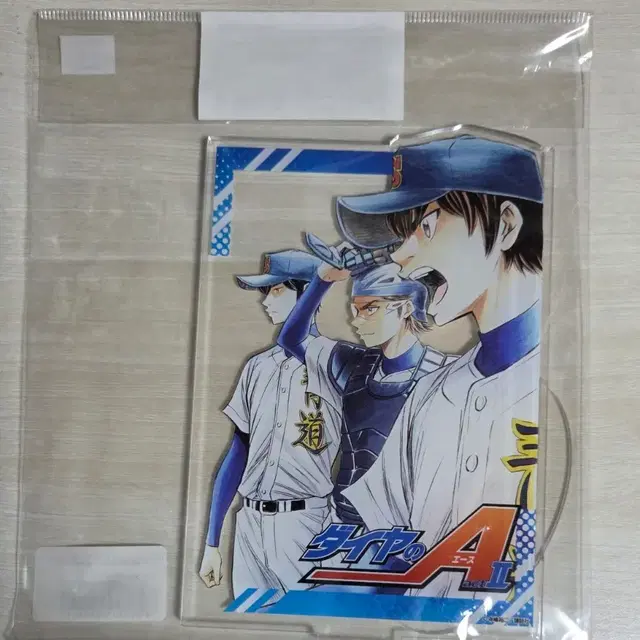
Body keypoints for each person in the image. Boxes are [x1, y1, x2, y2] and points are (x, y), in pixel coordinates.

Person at [334, 134, 543, 600]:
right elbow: (385, 550)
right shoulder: (430, 397)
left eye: (426, 226)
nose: (400, 255)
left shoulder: (566, 390)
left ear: (506, 226)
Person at [198, 250, 342, 599]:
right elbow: (238, 452)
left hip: (306, 523)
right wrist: (212, 542)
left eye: (276, 290)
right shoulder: (257, 367)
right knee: (252, 620)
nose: (265, 301)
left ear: (308, 293)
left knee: (308, 617)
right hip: (250, 525)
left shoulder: (338, 362)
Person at [278, 260, 456, 527]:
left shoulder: (445, 374)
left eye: (370, 308)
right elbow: (292, 339)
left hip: (410, 529)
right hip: (344, 523)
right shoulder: (351, 364)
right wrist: (322, 280)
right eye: (355, 309)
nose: (356, 321)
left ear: (406, 307)